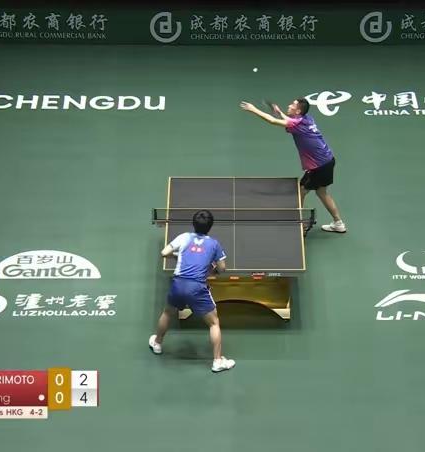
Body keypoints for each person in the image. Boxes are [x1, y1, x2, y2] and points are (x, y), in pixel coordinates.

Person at [239, 98, 347, 233]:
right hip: (328, 160)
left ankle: (300, 223)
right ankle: (338, 223)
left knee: (301, 191)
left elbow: (272, 121)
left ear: (298, 111)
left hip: (318, 166)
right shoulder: (307, 119)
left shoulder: (296, 123)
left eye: (293, 105)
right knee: (321, 192)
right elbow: (291, 121)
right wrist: (280, 113)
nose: (289, 105)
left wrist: (253, 109)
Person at [149, 210, 235, 373]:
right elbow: (222, 268)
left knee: (168, 313)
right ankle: (217, 361)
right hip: (197, 288)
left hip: (178, 284)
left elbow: (164, 253)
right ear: (210, 226)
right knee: (214, 323)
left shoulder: (184, 237)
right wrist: (212, 269)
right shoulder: (214, 244)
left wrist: (178, 256)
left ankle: (157, 343)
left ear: (193, 224)